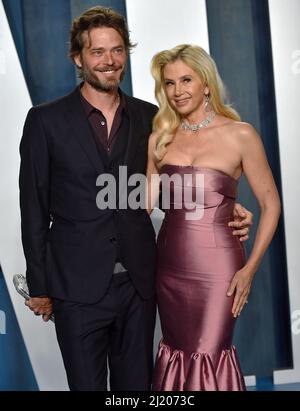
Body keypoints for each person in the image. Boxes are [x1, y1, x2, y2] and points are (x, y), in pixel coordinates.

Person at [19, 7, 252, 391]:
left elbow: (168, 190)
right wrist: (41, 285)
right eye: (97, 52)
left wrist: (224, 206)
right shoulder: (46, 121)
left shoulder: (153, 118)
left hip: (139, 286)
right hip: (76, 289)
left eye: (117, 50)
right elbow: (33, 207)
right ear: (78, 58)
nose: (109, 61)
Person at [147, 44, 281, 391]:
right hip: (169, 266)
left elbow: (270, 203)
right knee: (177, 350)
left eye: (187, 80)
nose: (178, 91)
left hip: (218, 268)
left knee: (209, 351)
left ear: (206, 83)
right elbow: (141, 205)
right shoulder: (159, 140)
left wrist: (249, 269)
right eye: (170, 83)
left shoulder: (241, 134)